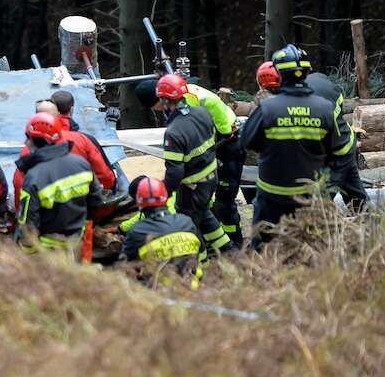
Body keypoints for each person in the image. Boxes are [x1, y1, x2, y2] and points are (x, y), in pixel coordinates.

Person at [241, 45, 350, 244]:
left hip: (271, 199)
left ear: (279, 74)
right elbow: (337, 152)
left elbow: (246, 141)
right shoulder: (324, 109)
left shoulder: (267, 109)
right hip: (309, 199)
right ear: (307, 72)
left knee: (263, 251)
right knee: (308, 250)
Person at [135, 76, 244, 246]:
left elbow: (176, 169)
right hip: (210, 172)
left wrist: (166, 191)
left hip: (209, 167)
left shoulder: (179, 127)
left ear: (161, 99)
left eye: (155, 106)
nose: (157, 110)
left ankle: (217, 250)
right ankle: (229, 248)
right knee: (208, 213)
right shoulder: (197, 109)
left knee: (205, 214)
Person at [258, 62, 366, 211]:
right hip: (346, 142)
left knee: (317, 207)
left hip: (334, 156)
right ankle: (370, 227)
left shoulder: (297, 106)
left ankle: (329, 228)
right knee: (357, 198)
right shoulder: (316, 80)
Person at [15, 112, 102, 256]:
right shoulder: (81, 164)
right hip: (76, 243)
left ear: (36, 140)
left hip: (48, 251)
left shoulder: (34, 176)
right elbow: (96, 201)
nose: (25, 142)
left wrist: (28, 253)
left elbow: (29, 222)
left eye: (27, 137)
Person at [120, 176, 203, 289]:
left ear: (139, 203)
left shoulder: (136, 232)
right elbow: (201, 252)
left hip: (160, 296)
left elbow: (124, 266)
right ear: (166, 197)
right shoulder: (187, 222)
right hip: (195, 290)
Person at [51, 89, 129, 195]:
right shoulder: (85, 140)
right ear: (72, 109)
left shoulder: (34, 142)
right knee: (115, 169)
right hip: (85, 201)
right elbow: (105, 176)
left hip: (49, 203)